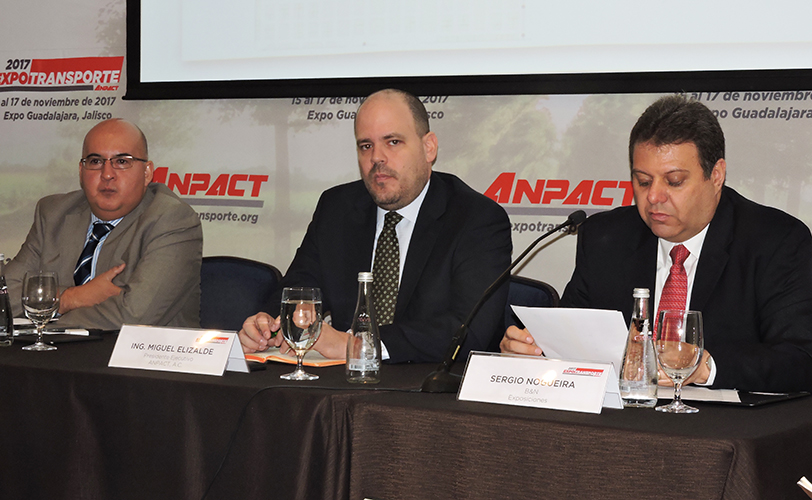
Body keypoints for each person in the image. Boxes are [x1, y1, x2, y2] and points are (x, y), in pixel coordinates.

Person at [501, 95, 812, 392]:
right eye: (643, 181)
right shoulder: (606, 238)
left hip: (723, 422)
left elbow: (801, 357)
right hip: (623, 418)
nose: (653, 197)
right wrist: (536, 350)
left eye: (674, 181)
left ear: (716, 175)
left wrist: (706, 367)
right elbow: (571, 334)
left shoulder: (776, 242)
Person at [239, 89, 512, 363]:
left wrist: (358, 345)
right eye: (366, 146)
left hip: (430, 382)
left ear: (429, 147)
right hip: (340, 379)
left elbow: (468, 330)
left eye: (393, 142)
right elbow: (299, 287)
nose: (377, 158)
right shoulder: (337, 208)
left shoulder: (476, 219)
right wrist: (269, 323)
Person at [5, 118, 203, 330]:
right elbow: (4, 296)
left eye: (122, 161)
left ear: (147, 173)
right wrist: (72, 297)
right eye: (95, 161)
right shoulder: (53, 213)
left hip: (135, 351)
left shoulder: (172, 219)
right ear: (81, 171)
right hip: (50, 349)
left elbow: (134, 316)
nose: (107, 174)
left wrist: (44, 321)